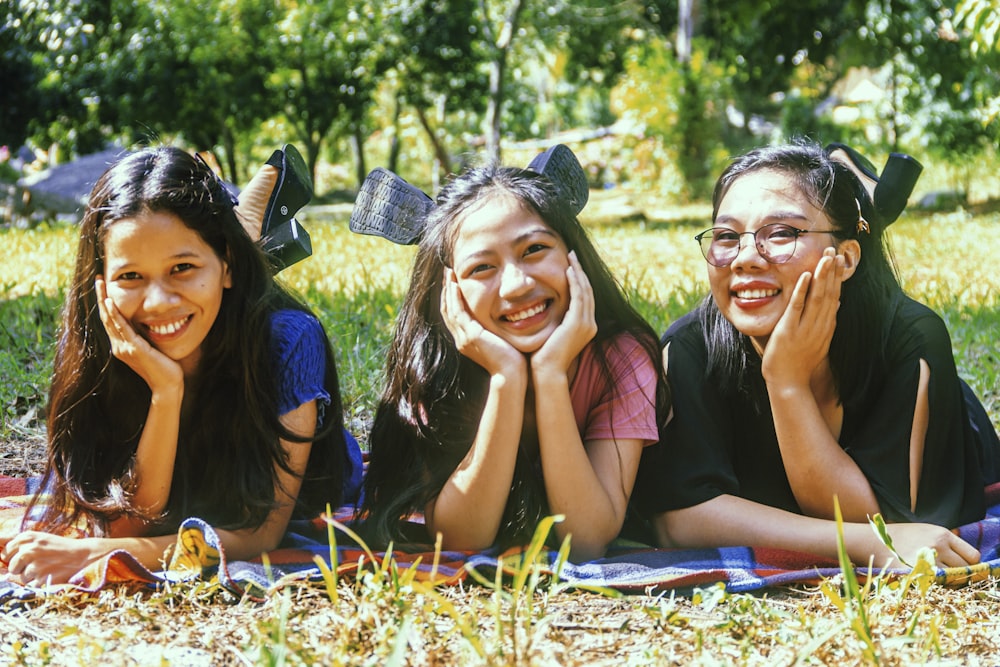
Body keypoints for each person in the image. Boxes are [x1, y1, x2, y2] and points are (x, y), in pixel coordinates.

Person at [0, 146, 361, 586]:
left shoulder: (287, 341)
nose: (156, 302)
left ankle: (243, 239)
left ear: (224, 265)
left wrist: (98, 555)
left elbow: (258, 533)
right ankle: (241, 236)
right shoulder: (101, 340)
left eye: (181, 267)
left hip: (320, 481)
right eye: (130, 276)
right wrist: (165, 392)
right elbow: (137, 520)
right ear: (99, 285)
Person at [634, 140, 1000, 568]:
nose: (746, 258)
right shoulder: (691, 346)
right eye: (727, 237)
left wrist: (787, 383)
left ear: (845, 259)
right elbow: (677, 519)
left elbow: (887, 517)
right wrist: (866, 544)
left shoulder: (909, 337)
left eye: (782, 233)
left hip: (950, 426)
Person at [356, 147, 670, 561]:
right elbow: (460, 539)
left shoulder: (619, 358)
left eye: (534, 250)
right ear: (448, 292)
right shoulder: (435, 364)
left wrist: (551, 376)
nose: (517, 285)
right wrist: (506, 378)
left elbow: (588, 538)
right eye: (482, 268)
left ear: (574, 256)